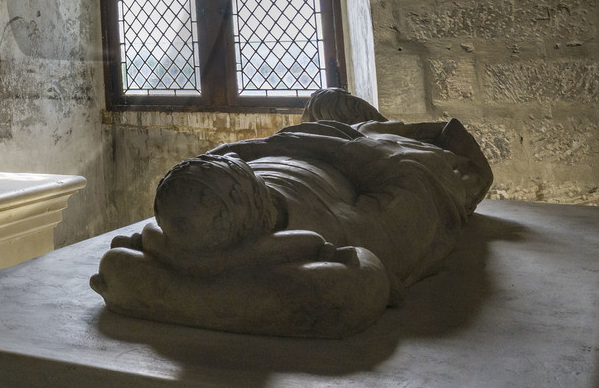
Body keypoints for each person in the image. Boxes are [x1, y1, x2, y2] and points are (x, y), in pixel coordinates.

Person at [91, 89, 493, 338]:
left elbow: (227, 158)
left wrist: (287, 142)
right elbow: (411, 185)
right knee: (335, 102)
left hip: (303, 149)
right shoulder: (346, 229)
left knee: (323, 99)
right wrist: (345, 144)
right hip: (356, 154)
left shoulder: (210, 206)